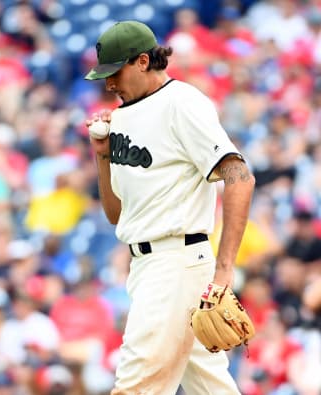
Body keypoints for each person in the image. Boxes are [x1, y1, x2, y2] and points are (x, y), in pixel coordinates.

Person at [84, 20, 256, 394]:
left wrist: (225, 270)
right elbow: (118, 216)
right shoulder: (123, 116)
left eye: (115, 73)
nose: (109, 84)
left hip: (175, 262)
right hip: (148, 264)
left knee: (135, 384)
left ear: (143, 61)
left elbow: (239, 176)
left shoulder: (182, 103)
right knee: (210, 387)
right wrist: (102, 158)